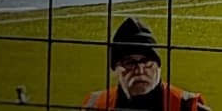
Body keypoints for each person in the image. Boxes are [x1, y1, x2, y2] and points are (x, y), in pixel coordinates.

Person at [82, 17, 210, 109]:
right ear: (115, 68)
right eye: (129, 63)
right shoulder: (95, 105)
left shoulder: (186, 107)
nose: (140, 70)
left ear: (158, 65)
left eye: (146, 61)